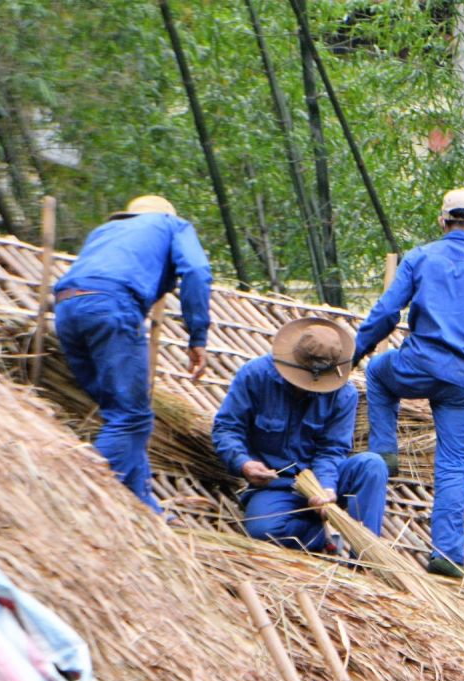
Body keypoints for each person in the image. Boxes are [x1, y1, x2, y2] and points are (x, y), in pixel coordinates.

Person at [353, 188, 464, 579]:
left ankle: (384, 453)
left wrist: (356, 352)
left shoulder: (421, 257)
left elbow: (386, 311)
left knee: (379, 372)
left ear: (443, 222)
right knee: (454, 466)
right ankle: (447, 554)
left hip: (418, 366)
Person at [51, 194, 212, 514]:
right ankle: (83, 499)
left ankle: (146, 508)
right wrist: (197, 336)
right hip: (111, 306)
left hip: (67, 308)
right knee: (132, 416)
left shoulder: (104, 232)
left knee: (123, 413)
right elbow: (196, 271)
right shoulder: (172, 224)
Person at [212, 317, 388, 553]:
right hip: (275, 487)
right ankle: (317, 537)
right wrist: (244, 464)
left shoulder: (344, 394)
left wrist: (326, 487)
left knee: (373, 465)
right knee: (262, 530)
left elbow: (332, 449)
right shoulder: (255, 376)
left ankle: (364, 557)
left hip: (325, 481)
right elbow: (226, 429)